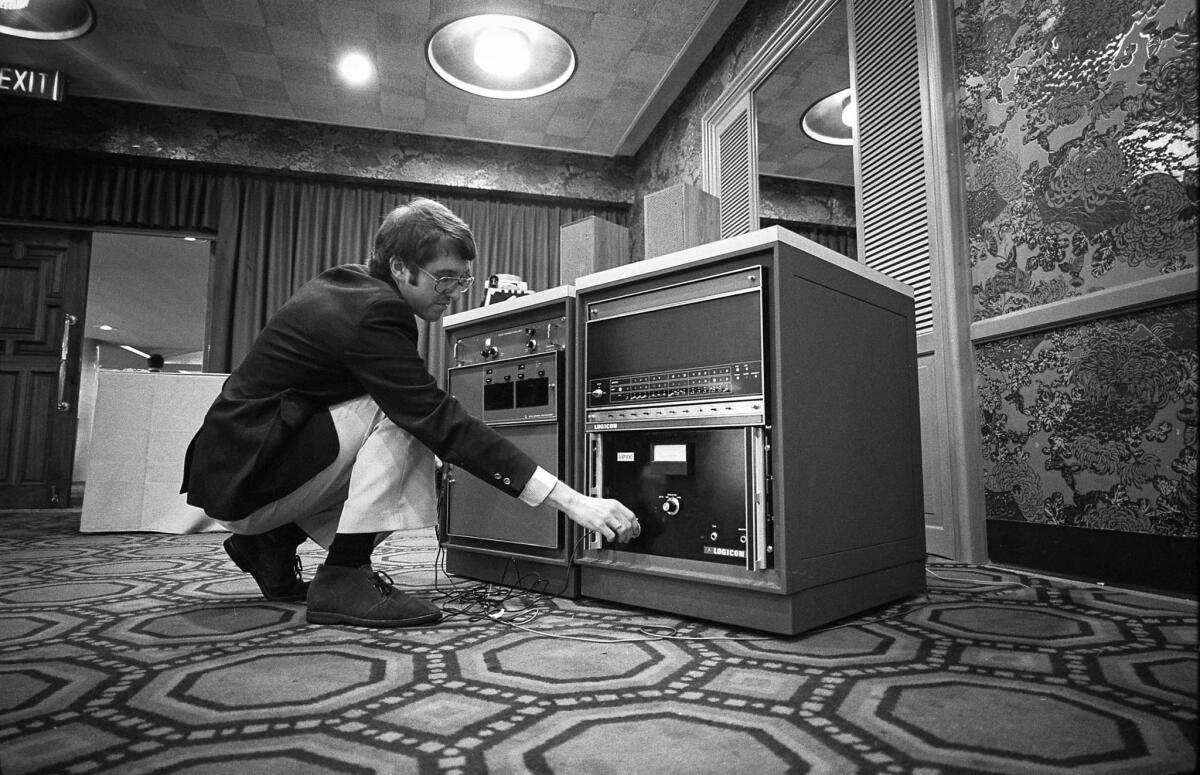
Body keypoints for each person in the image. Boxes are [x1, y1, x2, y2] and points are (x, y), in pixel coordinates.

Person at [181, 198, 638, 628]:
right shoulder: (376, 311)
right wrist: (575, 502)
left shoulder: (351, 285)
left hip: (238, 469)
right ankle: (344, 574)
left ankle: (270, 545)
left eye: (463, 279)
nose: (455, 293)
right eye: (444, 279)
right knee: (410, 421)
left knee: (408, 415)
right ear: (399, 267)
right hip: (249, 475)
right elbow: (438, 420)